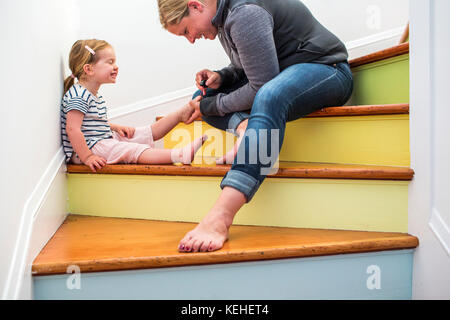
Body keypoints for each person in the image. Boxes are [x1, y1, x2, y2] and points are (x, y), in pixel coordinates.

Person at [157, 0, 354, 253]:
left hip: (328, 71)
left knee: (267, 95)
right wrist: (222, 77)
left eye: (186, 31)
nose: (191, 39)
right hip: (283, 76)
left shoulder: (244, 13)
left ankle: (222, 215)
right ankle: (245, 129)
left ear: (195, 6)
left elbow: (262, 85)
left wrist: (212, 107)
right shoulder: (224, 15)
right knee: (203, 97)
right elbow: (248, 67)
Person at [61, 39, 206, 172]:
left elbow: (90, 122)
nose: (115, 67)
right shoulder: (78, 95)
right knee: (131, 149)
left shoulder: (89, 94)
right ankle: (179, 155)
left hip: (101, 141)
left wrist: (115, 127)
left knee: (142, 133)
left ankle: (180, 114)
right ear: (89, 69)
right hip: (90, 149)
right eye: (110, 62)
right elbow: (73, 129)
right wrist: (87, 157)